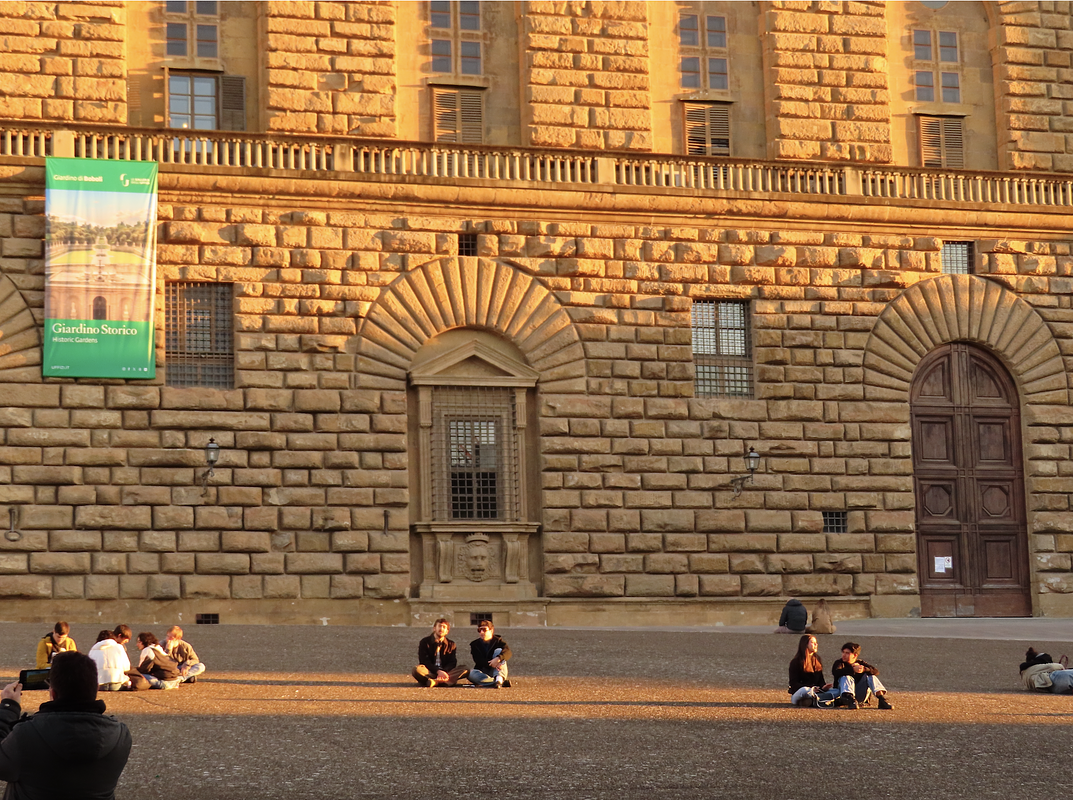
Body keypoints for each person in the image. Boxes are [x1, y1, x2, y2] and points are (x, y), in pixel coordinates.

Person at [0, 651, 132, 798]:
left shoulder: (26, 736)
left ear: (53, 694)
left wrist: (9, 707)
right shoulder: (121, 736)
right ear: (95, 689)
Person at [831, 642, 894, 710]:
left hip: (859, 695)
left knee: (871, 676)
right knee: (846, 677)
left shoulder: (860, 663)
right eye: (843, 652)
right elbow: (836, 672)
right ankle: (850, 699)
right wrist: (852, 670)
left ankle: (882, 699)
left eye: (847, 653)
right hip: (842, 695)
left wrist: (864, 669)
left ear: (855, 655)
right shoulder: (839, 663)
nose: (844, 655)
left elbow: (876, 671)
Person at [411, 618, 468, 688]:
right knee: (417, 669)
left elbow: (452, 662)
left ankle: (435, 681)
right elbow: (424, 661)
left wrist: (443, 672)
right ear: (434, 628)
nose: (441, 629)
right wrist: (438, 671)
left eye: (444, 627)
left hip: (445, 672)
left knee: (465, 669)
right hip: (430, 671)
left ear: (447, 631)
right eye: (439, 626)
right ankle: (447, 682)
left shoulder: (451, 644)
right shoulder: (425, 642)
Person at [788, 634, 838, 707]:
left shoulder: (817, 659)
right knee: (805, 690)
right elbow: (793, 684)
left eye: (816, 643)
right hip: (801, 692)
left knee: (837, 691)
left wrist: (823, 687)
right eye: (812, 642)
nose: (816, 644)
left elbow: (821, 680)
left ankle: (810, 701)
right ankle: (815, 700)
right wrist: (811, 689)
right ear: (805, 644)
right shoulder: (796, 662)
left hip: (816, 692)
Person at [468, 621, 512, 688]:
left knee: (499, 651)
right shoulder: (475, 645)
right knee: (470, 674)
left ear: (491, 630)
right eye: (479, 630)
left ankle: (498, 678)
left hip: (498, 669)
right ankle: (497, 682)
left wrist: (498, 659)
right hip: (484, 671)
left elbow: (508, 652)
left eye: (484, 630)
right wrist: (493, 663)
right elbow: (478, 661)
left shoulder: (499, 641)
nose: (481, 632)